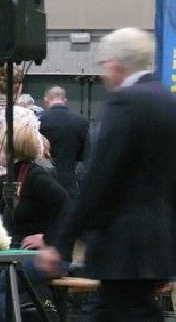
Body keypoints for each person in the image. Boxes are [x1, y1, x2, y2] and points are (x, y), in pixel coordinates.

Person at [36, 27, 176, 321]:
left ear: (114, 65)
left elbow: (98, 180)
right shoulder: (167, 101)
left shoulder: (125, 102)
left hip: (123, 250)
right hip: (154, 248)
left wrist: (61, 245)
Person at [0, 125, 69, 322]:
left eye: (0, 144)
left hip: (48, 254)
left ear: (10, 148)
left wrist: (47, 238)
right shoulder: (10, 178)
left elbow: (68, 206)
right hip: (15, 250)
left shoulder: (36, 176)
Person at [0, 64, 39, 213]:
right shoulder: (27, 115)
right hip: (16, 178)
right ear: (17, 87)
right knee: (12, 226)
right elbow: (35, 149)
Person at [39, 85, 90, 201]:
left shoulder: (38, 120)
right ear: (65, 101)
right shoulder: (80, 121)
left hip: (43, 182)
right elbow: (85, 155)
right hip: (70, 183)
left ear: (46, 100)